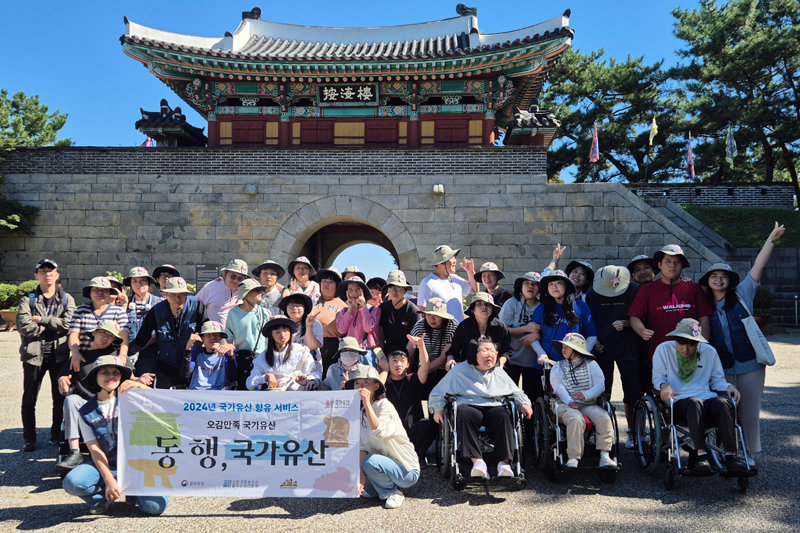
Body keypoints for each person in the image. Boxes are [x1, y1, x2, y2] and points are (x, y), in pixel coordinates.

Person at [699, 222, 785, 461]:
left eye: (723, 276)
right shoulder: (703, 304)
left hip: (750, 365)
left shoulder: (743, 294)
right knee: (725, 411)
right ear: (707, 281)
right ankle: (728, 451)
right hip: (721, 367)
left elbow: (758, 266)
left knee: (748, 412)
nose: (719, 280)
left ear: (730, 280)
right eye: (714, 276)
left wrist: (771, 239)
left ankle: (748, 453)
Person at [62, 355, 168, 515]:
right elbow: (94, 449)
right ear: (95, 377)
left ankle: (133, 493)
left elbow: (166, 403)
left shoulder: (133, 398)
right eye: (104, 372)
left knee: (155, 507)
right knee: (72, 482)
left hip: (139, 467)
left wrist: (139, 386)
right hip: (109, 466)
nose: (111, 376)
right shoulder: (85, 411)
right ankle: (103, 499)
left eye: (115, 372)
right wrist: (109, 479)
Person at [652, 318, 746, 473]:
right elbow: (658, 378)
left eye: (691, 345)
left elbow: (717, 381)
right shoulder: (663, 350)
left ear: (698, 343)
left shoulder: (709, 352)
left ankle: (730, 457)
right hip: (678, 401)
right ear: (675, 340)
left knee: (722, 402)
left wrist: (729, 386)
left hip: (705, 399)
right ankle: (701, 457)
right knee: (694, 402)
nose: (685, 349)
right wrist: (664, 386)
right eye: (681, 344)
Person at [430, 337, 533, 478]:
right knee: (463, 414)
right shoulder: (459, 370)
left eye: (492, 351)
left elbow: (515, 392)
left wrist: (524, 403)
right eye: (485, 351)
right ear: (474, 353)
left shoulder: (498, 372)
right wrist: (438, 408)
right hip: (468, 403)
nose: (490, 354)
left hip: (494, 404)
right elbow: (439, 392)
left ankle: (504, 463)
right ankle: (478, 462)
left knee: (504, 416)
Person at [17, 258, 76, 452]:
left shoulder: (67, 299)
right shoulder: (29, 298)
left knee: (59, 396)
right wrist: (53, 325)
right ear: (36, 275)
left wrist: (41, 319)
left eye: (50, 271)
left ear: (57, 274)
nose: (47, 274)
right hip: (34, 355)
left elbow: (68, 325)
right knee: (29, 397)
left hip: (59, 355)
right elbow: (24, 326)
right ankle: (29, 437)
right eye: (42, 271)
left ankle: (55, 434)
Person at [585, 265, 643, 449]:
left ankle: (634, 431)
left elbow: (641, 315)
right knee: (602, 392)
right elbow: (588, 320)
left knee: (633, 391)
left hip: (629, 345)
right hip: (601, 347)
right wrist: (593, 341)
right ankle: (601, 432)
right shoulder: (592, 294)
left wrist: (627, 323)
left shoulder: (633, 289)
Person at [55, 320, 125, 472]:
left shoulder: (115, 358)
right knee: (71, 399)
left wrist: (140, 379)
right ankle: (74, 452)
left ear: (114, 340)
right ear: (94, 333)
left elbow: (130, 377)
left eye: (110, 336)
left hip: (110, 404)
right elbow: (64, 387)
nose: (105, 338)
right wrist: (63, 381)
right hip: (85, 405)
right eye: (102, 333)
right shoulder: (79, 356)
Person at [347, 365, 419, 509]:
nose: (360, 387)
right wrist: (361, 478)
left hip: (406, 469)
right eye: (357, 383)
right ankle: (377, 487)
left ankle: (391, 492)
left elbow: (378, 429)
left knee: (369, 461)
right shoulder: (357, 411)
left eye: (366, 383)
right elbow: (361, 447)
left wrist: (367, 403)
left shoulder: (384, 405)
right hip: (379, 464)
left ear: (375, 386)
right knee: (353, 464)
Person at [545, 332, 617, 468]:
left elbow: (600, 385)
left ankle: (604, 455)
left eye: (567, 347)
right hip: (563, 404)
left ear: (576, 349)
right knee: (576, 419)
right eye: (563, 347)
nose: (563, 350)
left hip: (587, 403)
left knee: (604, 417)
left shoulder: (592, 364)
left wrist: (586, 395)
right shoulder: (557, 366)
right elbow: (558, 387)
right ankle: (573, 457)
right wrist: (569, 401)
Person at [629, 244, 713, 358]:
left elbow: (704, 318)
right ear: (659, 265)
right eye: (668, 261)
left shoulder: (693, 287)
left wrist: (703, 345)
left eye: (677, 262)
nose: (672, 265)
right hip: (659, 353)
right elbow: (634, 317)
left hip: (691, 351)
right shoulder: (646, 290)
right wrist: (641, 330)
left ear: (682, 265)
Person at [131, 277, 205, 389]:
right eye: (173, 295)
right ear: (165, 294)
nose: (177, 298)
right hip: (166, 368)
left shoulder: (197, 305)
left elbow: (207, 330)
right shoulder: (156, 311)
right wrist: (131, 357)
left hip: (193, 366)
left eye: (181, 294)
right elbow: (142, 338)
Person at [380, 337, 437, 466]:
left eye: (402, 361)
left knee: (426, 425)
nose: (398, 364)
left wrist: (421, 347)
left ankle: (418, 457)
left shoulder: (413, 379)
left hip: (412, 430)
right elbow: (375, 388)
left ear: (408, 364)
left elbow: (425, 366)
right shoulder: (384, 383)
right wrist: (384, 370)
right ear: (388, 364)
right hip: (392, 432)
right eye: (394, 361)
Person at [531, 269, 597, 368]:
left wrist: (582, 355)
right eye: (551, 284)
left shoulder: (581, 307)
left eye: (559, 283)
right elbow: (533, 336)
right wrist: (541, 353)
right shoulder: (541, 309)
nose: (554, 286)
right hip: (547, 364)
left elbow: (592, 334)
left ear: (566, 286)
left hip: (574, 364)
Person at [498, 272, 543, 401]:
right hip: (512, 359)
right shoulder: (511, 303)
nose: (531, 286)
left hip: (533, 361)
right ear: (521, 287)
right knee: (509, 397)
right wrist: (525, 329)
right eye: (527, 283)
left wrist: (537, 335)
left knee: (532, 399)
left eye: (534, 284)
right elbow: (502, 329)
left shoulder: (542, 307)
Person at [68, 277, 129, 371]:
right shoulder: (80, 310)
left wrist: (122, 355)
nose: (100, 293)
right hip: (85, 356)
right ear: (90, 293)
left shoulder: (118, 311)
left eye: (104, 290)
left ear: (109, 293)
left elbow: (124, 335)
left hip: (110, 357)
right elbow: (74, 334)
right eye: (96, 290)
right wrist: (75, 353)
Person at [246, 317, 321, 391]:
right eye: (277, 332)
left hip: (299, 396)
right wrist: (266, 377)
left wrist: (309, 381)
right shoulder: (262, 358)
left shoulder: (302, 351)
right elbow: (250, 383)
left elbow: (314, 372)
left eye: (285, 331)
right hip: (272, 398)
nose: (282, 335)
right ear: (271, 335)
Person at [225, 279, 272, 389]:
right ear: (245, 295)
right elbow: (229, 335)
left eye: (260, 290)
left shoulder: (264, 312)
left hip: (262, 358)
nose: (260, 292)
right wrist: (231, 358)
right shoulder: (233, 313)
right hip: (242, 358)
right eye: (255, 290)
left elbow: (268, 337)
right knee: (244, 390)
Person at [446, 292, 512, 369]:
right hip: (468, 370)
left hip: (494, 369)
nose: (484, 307)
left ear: (492, 308)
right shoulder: (464, 326)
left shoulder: (500, 327)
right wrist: (450, 360)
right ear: (472, 309)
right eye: (479, 304)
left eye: (487, 304)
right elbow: (453, 351)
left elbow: (507, 351)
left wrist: (501, 362)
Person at [416, 244, 479, 323]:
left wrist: (470, 272)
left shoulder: (455, 278)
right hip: (441, 334)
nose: (455, 261)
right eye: (452, 258)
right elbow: (422, 312)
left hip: (460, 332)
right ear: (442, 262)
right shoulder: (427, 283)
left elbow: (475, 290)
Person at [406, 297, 456, 390]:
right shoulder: (420, 325)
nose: (431, 319)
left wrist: (420, 373)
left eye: (435, 315)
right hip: (422, 367)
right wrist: (404, 373)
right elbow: (409, 352)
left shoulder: (452, 327)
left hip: (444, 370)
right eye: (428, 315)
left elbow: (443, 357)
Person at [121, 266, 162, 365]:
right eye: (134, 281)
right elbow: (118, 327)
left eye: (143, 280)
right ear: (130, 284)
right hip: (125, 351)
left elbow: (161, 330)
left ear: (149, 283)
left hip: (152, 351)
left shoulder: (160, 303)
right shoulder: (124, 302)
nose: (139, 284)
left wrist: (139, 348)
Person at [312, 267, 347, 375]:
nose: (326, 284)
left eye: (331, 282)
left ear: (337, 285)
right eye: (324, 281)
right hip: (312, 346)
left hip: (332, 347)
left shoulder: (343, 305)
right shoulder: (312, 301)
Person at [183, 320, 236, 390]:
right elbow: (185, 375)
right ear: (202, 338)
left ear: (220, 338)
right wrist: (188, 347)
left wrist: (230, 354)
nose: (213, 337)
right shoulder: (196, 352)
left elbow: (233, 377)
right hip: (196, 394)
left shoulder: (227, 352)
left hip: (219, 395)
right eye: (208, 334)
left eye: (216, 334)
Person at [378, 270, 421, 354]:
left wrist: (406, 363)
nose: (394, 291)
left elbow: (414, 341)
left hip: (407, 357)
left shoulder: (414, 312)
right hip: (388, 355)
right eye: (391, 288)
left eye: (398, 287)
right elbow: (380, 335)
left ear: (404, 289)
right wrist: (381, 357)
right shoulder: (383, 308)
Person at [195, 259, 249, 325]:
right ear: (225, 274)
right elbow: (194, 307)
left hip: (236, 334)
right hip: (214, 333)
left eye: (240, 279)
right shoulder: (211, 287)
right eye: (233, 276)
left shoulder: (244, 291)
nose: (235, 280)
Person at [336, 277, 380, 353]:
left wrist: (364, 307)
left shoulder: (374, 310)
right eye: (351, 290)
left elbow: (368, 328)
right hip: (349, 350)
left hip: (366, 351)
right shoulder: (344, 311)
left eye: (358, 289)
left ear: (363, 291)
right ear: (347, 293)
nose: (354, 293)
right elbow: (341, 330)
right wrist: (350, 309)